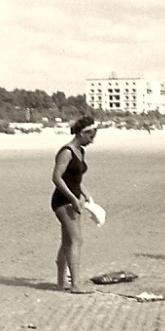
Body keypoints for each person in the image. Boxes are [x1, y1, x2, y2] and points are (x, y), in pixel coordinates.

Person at [51, 115, 98, 293]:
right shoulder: (67, 151)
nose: (92, 141)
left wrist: (86, 195)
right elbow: (56, 178)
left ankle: (60, 282)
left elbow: (75, 180)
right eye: (90, 137)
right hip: (63, 201)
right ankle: (76, 284)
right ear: (81, 133)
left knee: (67, 242)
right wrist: (72, 198)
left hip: (74, 200)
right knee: (76, 241)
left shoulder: (81, 151)